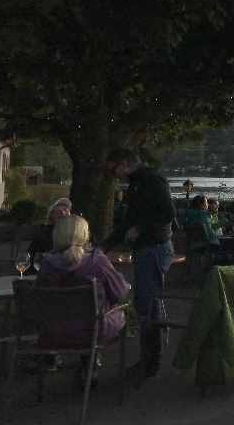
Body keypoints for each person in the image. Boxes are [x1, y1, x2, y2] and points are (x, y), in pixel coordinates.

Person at [102, 148, 175, 380]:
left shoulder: (152, 180)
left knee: (147, 306)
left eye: (114, 169)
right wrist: (103, 248)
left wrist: (141, 228)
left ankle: (150, 364)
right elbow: (127, 223)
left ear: (125, 163)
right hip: (146, 249)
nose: (114, 174)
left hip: (154, 249)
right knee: (145, 306)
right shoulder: (135, 185)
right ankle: (148, 361)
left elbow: (167, 213)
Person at [39, 215, 130, 384]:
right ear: (85, 235)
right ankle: (90, 365)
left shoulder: (47, 264)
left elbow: (40, 299)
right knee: (101, 312)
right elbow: (120, 292)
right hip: (93, 330)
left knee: (78, 315)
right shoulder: (97, 261)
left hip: (53, 331)